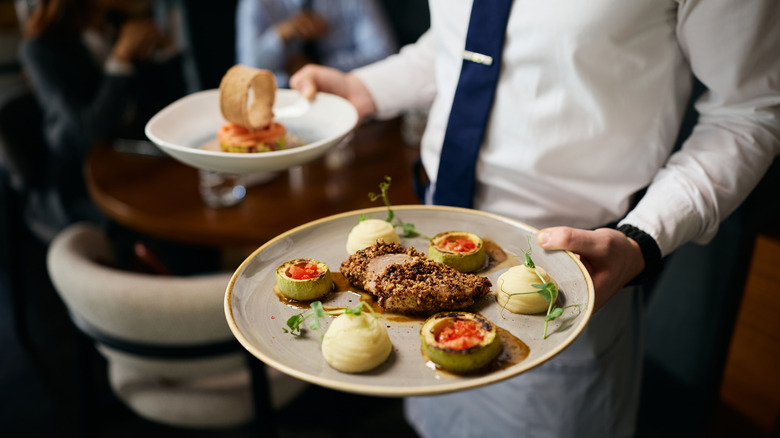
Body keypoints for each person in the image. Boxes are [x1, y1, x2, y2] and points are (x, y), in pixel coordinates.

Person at [289, 1, 780, 437]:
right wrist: (364, 87)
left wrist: (641, 240)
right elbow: (464, 39)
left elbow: (749, 111)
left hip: (565, 289)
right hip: (416, 278)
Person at [20, 0, 216, 274]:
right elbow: (89, 131)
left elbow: (168, 110)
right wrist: (121, 57)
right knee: (171, 231)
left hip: (135, 160)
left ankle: (205, 294)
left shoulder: (119, 26)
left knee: (199, 207)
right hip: (80, 177)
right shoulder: (41, 49)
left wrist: (165, 52)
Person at [235, 0, 397, 88]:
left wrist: (318, 68)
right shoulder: (256, 4)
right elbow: (247, 72)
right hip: (281, 103)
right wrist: (279, 36)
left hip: (343, 95)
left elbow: (384, 54)